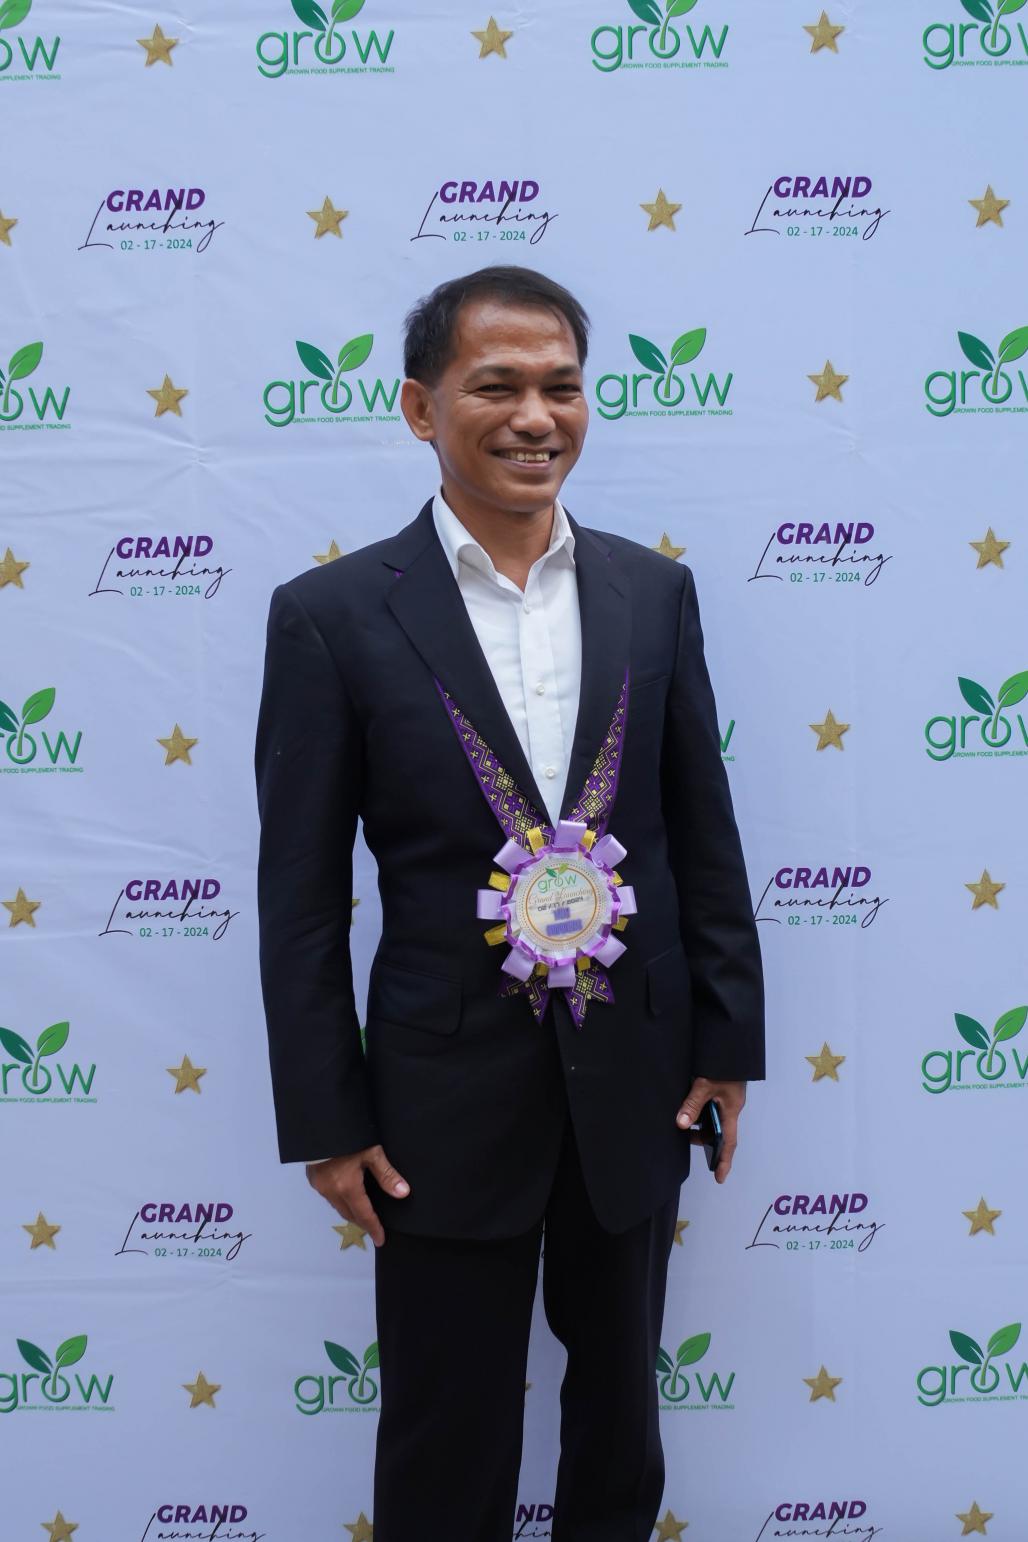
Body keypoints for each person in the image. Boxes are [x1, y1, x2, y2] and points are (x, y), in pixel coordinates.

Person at [254, 265, 765, 1542]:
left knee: (621, 1429)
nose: (536, 416)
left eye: (561, 387)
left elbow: (700, 834)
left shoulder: (653, 592)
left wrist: (725, 1041)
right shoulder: (330, 617)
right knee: (446, 1434)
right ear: (421, 408)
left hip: (635, 1081)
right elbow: (300, 897)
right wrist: (325, 1118)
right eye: (497, 386)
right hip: (435, 1104)